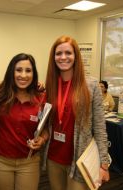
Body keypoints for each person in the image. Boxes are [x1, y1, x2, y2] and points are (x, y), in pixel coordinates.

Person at [44, 35, 110, 190]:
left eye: (68, 53)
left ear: (76, 56)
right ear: (53, 57)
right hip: (54, 157)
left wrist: (104, 164)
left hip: (80, 158)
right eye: (58, 53)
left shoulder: (91, 85)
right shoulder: (51, 84)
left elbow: (100, 127)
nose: (63, 57)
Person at [0, 53, 48, 190]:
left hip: (29, 161)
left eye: (28, 71)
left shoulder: (41, 98)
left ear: (34, 74)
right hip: (0, 160)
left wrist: (42, 139)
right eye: (18, 70)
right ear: (11, 72)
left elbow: (46, 128)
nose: (23, 75)